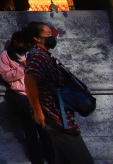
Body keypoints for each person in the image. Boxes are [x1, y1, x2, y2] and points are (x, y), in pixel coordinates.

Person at [24, 21, 95, 164]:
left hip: (58, 112)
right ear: (37, 38)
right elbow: (30, 81)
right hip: (54, 114)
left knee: (63, 158)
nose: (52, 37)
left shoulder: (44, 55)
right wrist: (38, 111)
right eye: (48, 34)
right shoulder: (38, 55)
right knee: (83, 160)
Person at [0, 30, 54, 164]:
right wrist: (22, 68)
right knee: (30, 132)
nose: (26, 45)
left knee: (45, 130)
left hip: (39, 96)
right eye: (24, 42)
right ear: (16, 42)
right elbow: (6, 76)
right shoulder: (6, 56)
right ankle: (37, 160)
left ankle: (53, 158)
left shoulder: (33, 54)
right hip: (22, 97)